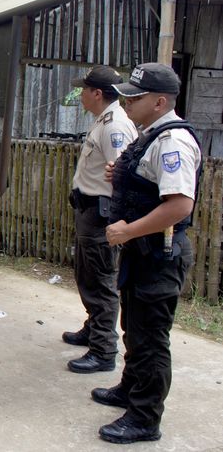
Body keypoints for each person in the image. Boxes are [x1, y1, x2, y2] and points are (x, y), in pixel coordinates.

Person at [93, 63, 201, 444]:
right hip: (142, 253)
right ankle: (131, 388)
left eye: (135, 98)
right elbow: (148, 183)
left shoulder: (173, 142)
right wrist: (118, 174)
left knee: (151, 339)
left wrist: (128, 230)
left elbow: (180, 205)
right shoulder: (150, 135)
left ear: (159, 102)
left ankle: (144, 417)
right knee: (135, 328)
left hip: (159, 255)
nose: (127, 103)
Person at [64, 66, 138, 374]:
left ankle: (104, 349)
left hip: (101, 212)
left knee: (101, 281)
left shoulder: (115, 126)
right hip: (89, 210)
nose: (81, 94)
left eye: (84, 89)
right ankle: (93, 328)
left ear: (97, 93)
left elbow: (120, 175)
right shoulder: (103, 120)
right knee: (87, 275)